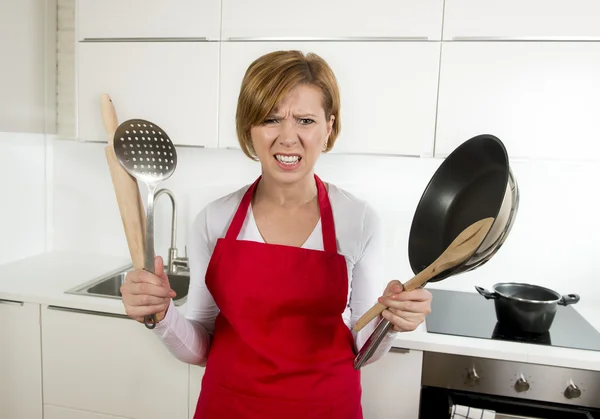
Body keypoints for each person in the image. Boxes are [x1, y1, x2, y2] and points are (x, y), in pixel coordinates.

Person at [120, 50, 432, 418]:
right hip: (229, 405)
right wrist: (161, 315)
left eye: (305, 120)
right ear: (249, 127)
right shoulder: (215, 220)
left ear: (328, 127)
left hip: (326, 408)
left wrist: (392, 324)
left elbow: (364, 345)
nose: (288, 137)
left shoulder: (358, 219)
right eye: (270, 119)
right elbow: (201, 346)